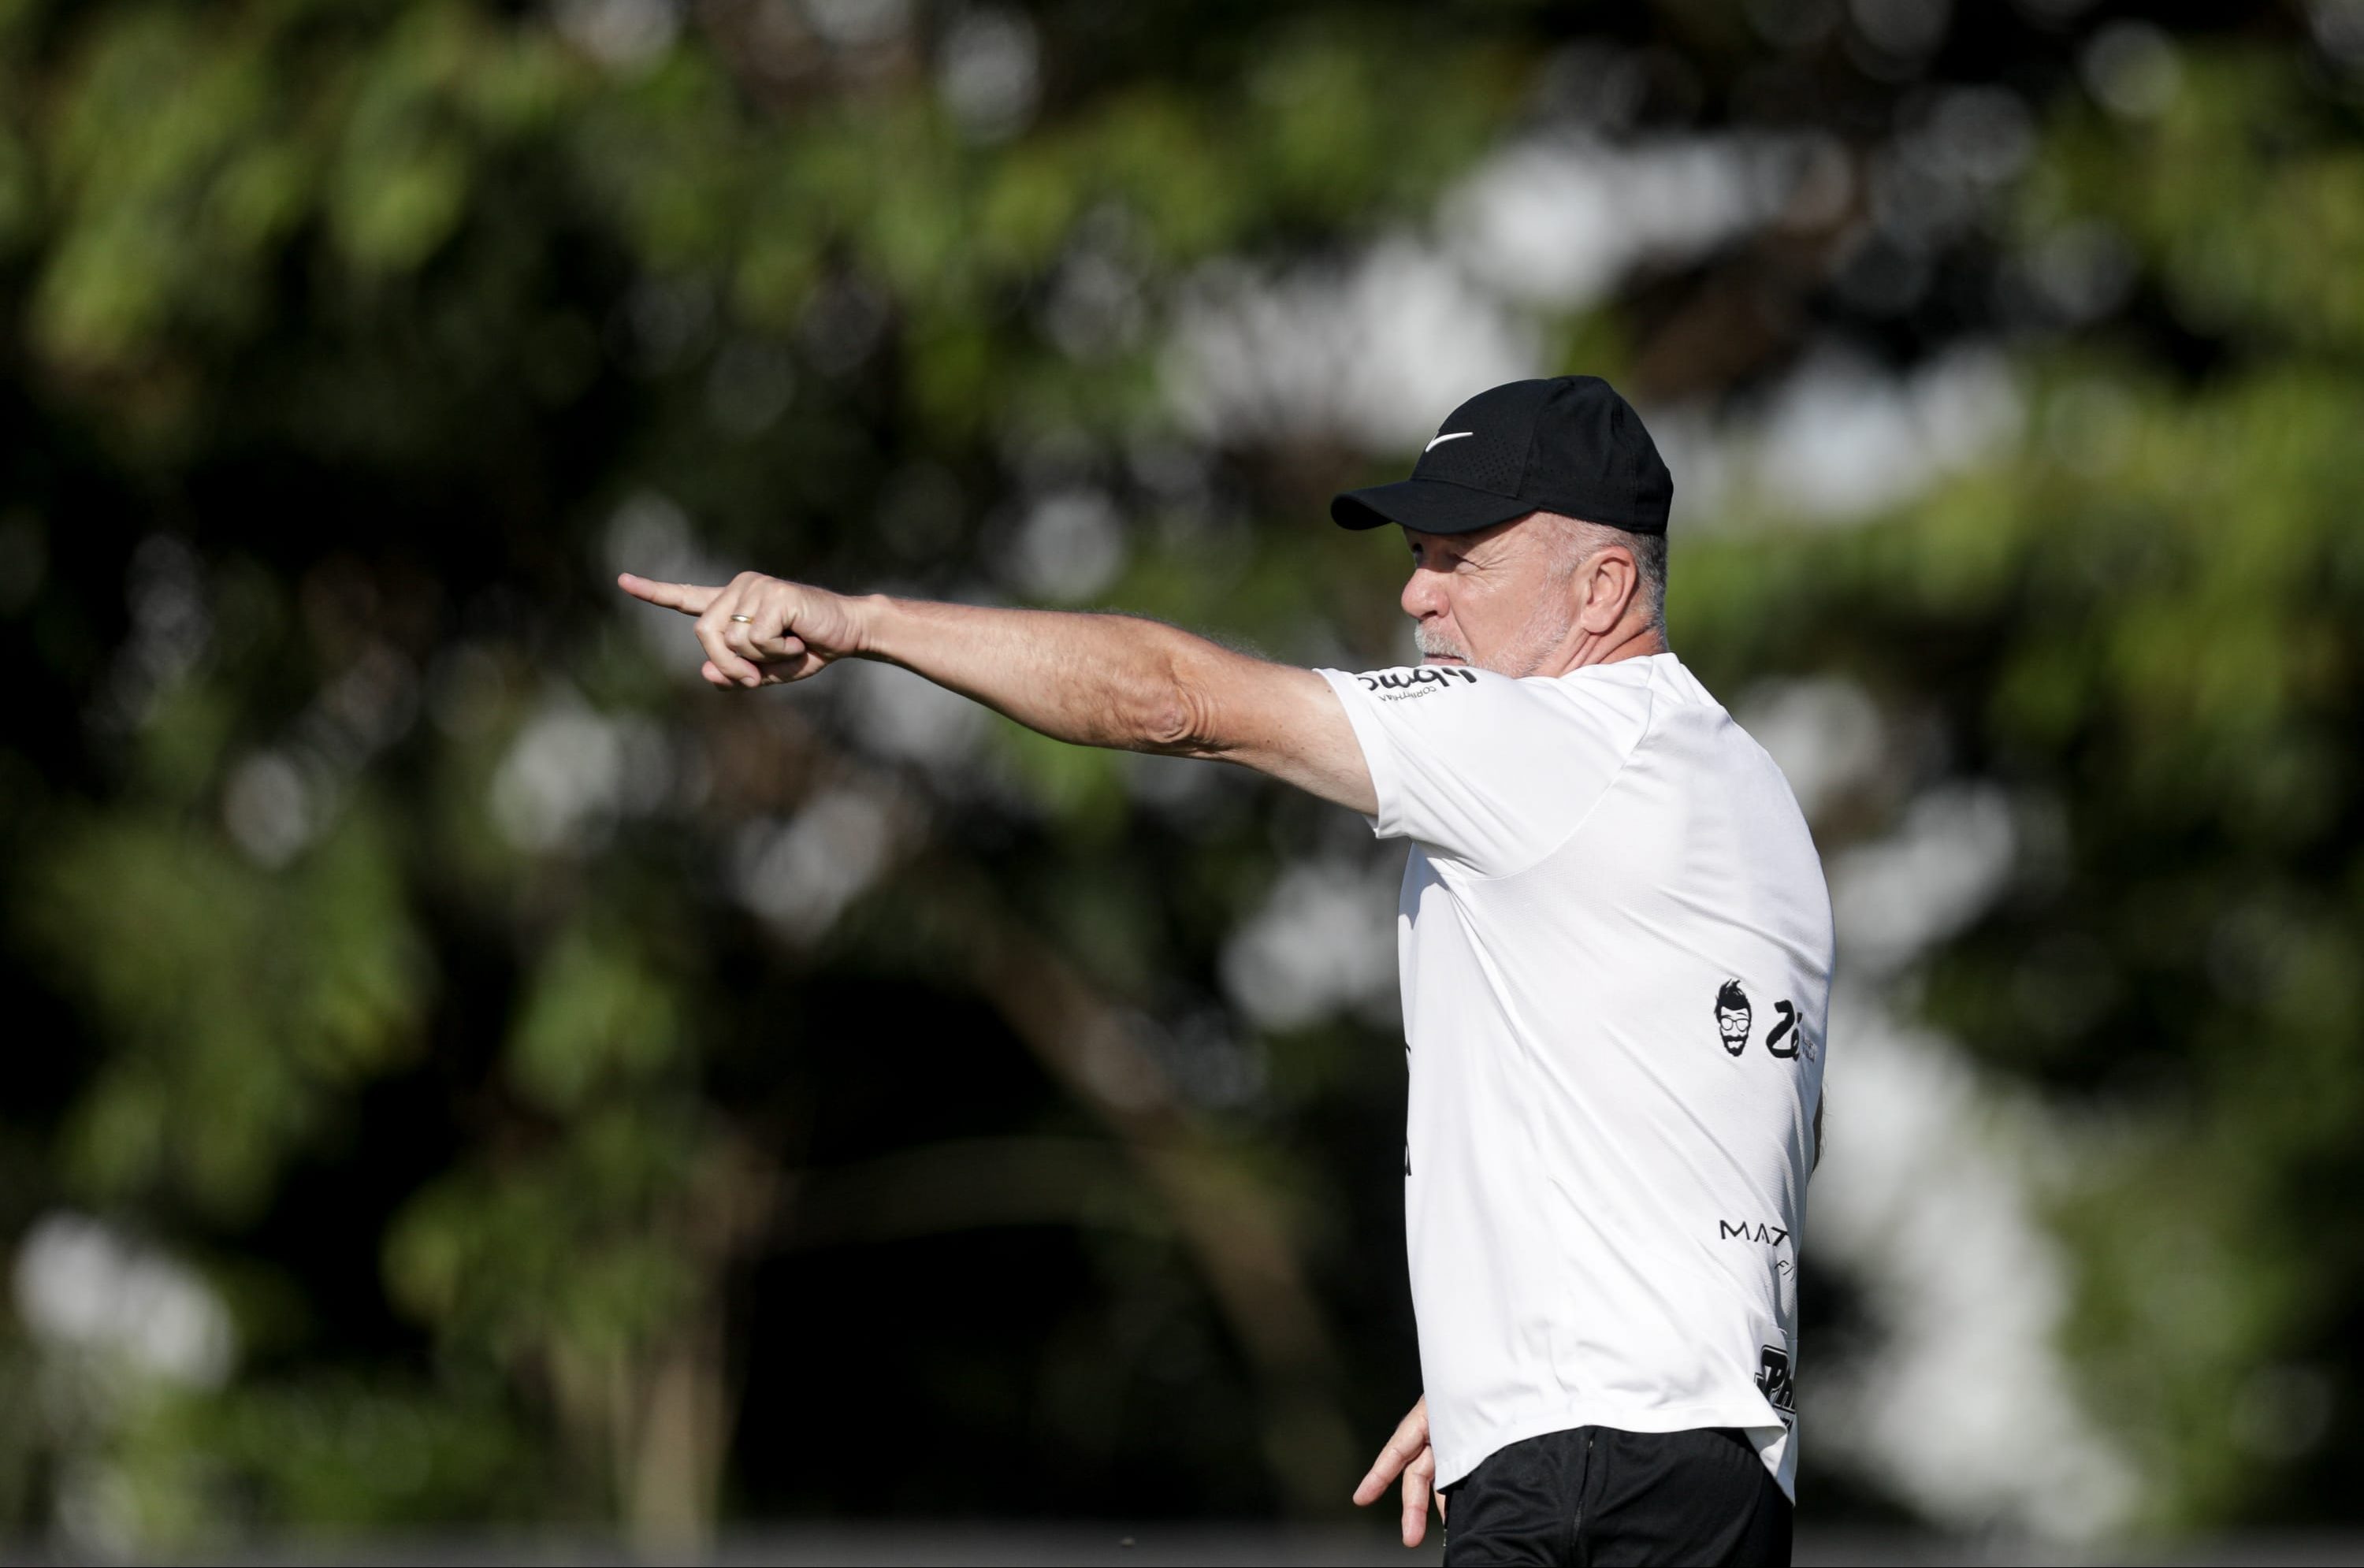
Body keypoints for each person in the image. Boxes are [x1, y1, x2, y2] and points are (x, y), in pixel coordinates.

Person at [619, 376, 1831, 1567]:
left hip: (1593, 1478)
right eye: (1417, 552)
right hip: (1707, 1467)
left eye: (1459, 559)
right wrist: (1512, 1366)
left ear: (1603, 586)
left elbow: (1171, 701)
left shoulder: (1555, 740)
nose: (1418, 592)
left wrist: (862, 622)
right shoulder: (1747, 791)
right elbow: (1730, 1131)